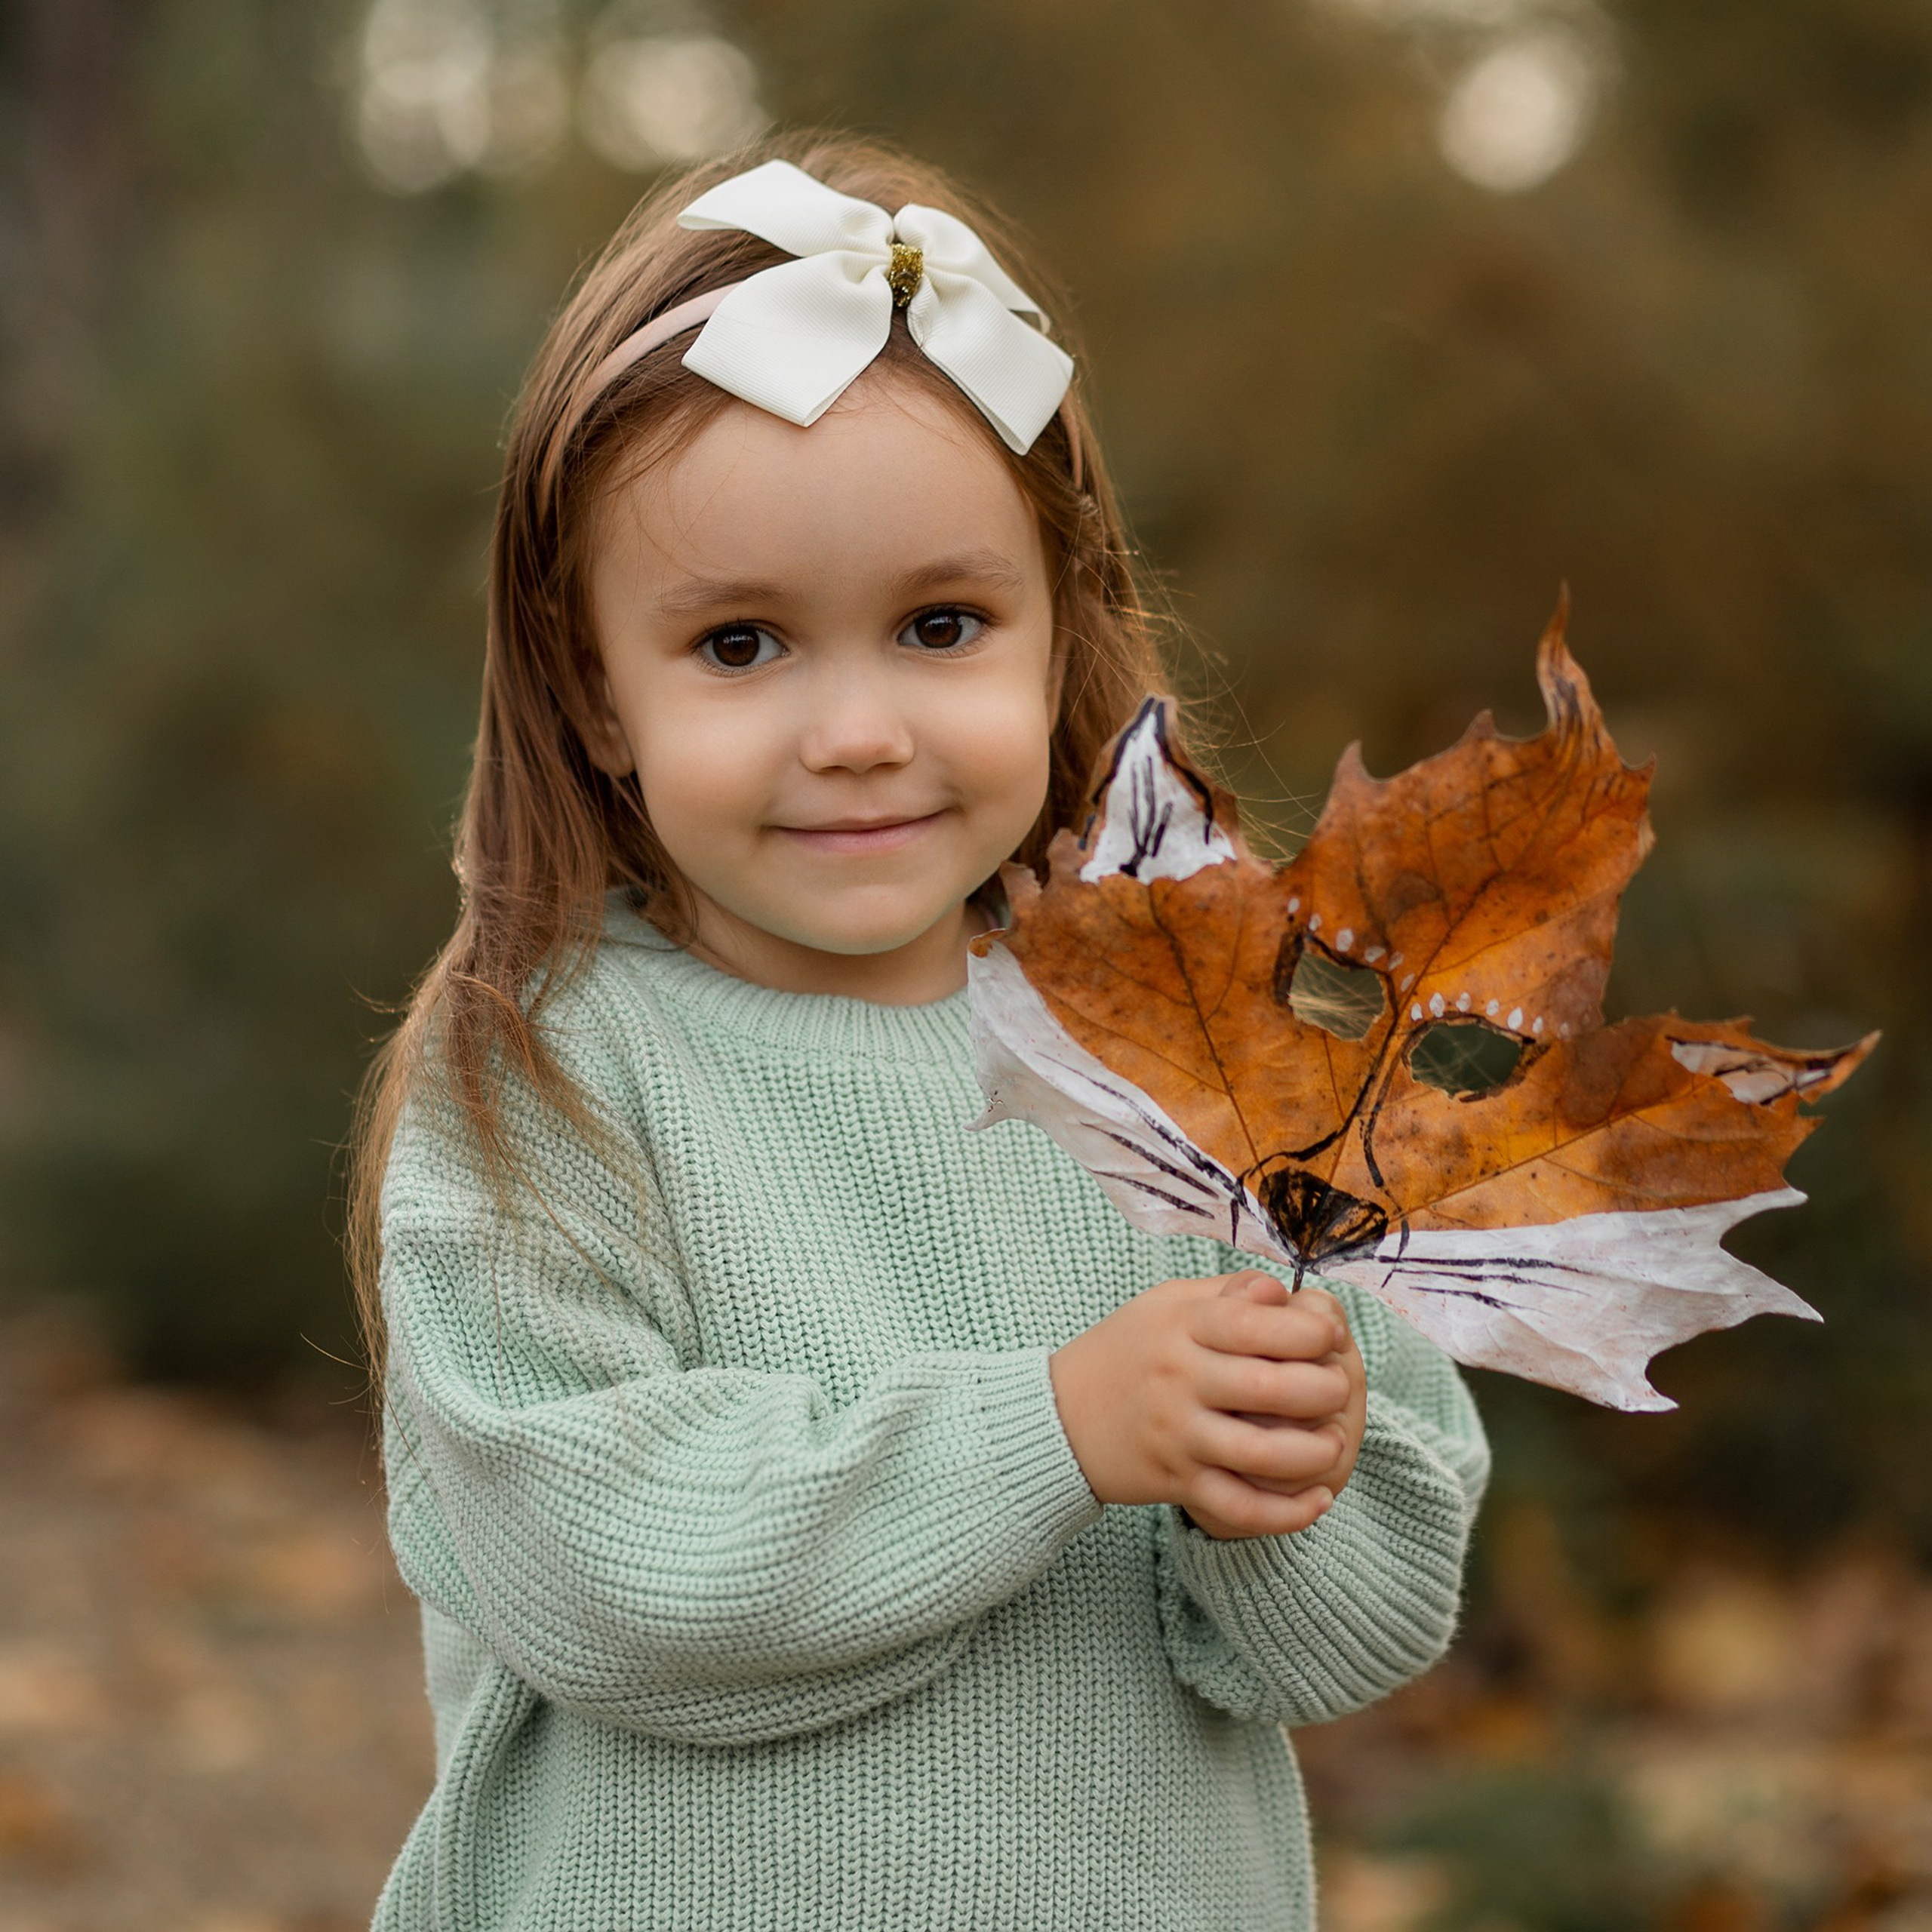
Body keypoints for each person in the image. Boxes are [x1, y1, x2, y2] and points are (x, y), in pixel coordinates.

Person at [349, 131, 1490, 1932]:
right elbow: (592, 1566)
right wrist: (1053, 1428)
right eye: (740, 645)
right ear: (592, 685)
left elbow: (1354, 1629)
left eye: (939, 623)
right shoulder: (551, 1076)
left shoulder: (1195, 1074)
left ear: (1057, 636)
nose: (859, 727)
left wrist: (1281, 1476)